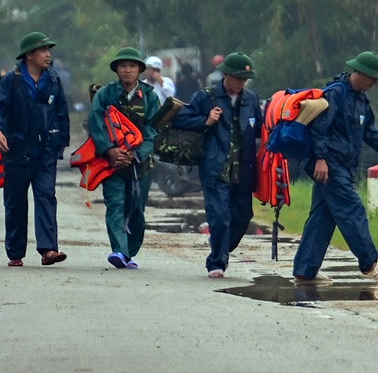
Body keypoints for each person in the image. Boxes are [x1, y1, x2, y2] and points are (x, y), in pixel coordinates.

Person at [292, 51, 378, 283]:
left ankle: (305, 270)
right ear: (360, 73)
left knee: (322, 217)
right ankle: (369, 264)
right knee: (352, 210)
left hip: (344, 164)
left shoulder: (361, 99)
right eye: (372, 78)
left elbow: (370, 131)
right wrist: (321, 159)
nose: (374, 83)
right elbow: (318, 127)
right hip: (330, 165)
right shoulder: (336, 94)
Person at [171, 52, 260, 278]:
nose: (241, 83)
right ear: (226, 75)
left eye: (244, 79)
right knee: (219, 217)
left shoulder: (251, 98)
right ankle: (216, 262)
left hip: (243, 171)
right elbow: (181, 119)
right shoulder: (206, 97)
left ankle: (220, 247)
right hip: (214, 169)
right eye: (237, 78)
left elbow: (259, 127)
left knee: (243, 216)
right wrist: (206, 120)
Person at [0, 32, 70, 267]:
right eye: (43, 50)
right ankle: (15, 252)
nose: (48, 55)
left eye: (48, 50)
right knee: (15, 202)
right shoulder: (10, 81)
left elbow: (61, 111)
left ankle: (49, 250)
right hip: (17, 150)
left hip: (45, 152)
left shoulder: (53, 80)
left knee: (46, 197)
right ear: (29, 55)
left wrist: (62, 139)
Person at [89, 47, 160, 269]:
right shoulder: (105, 94)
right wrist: (110, 150)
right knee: (115, 205)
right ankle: (119, 251)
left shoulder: (150, 96)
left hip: (141, 165)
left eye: (132, 66)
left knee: (137, 209)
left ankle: (129, 251)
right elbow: (96, 124)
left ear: (140, 70)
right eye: (123, 66)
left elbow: (153, 129)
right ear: (117, 70)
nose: (127, 70)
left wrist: (136, 154)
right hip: (112, 164)